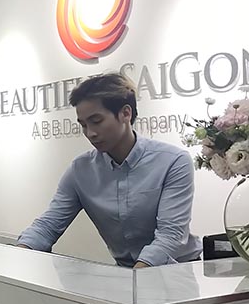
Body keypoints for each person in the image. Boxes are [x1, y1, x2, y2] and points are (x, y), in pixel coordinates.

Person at [18, 73, 202, 268]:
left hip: (178, 272)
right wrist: (17, 257)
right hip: (126, 273)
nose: (90, 133)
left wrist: (134, 278)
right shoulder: (80, 170)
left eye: (96, 121)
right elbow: (48, 226)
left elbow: (170, 235)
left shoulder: (173, 161)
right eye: (83, 125)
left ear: (125, 114)